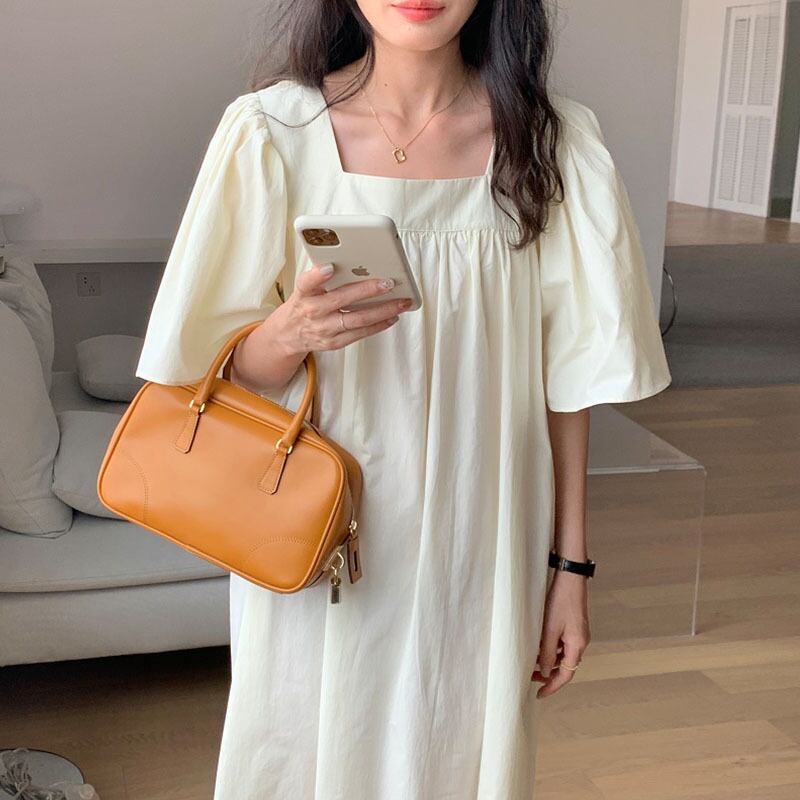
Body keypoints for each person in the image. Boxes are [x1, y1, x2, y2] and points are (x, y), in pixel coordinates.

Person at [134, 1, 672, 796]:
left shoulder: (553, 142)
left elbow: (568, 384)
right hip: (316, 535)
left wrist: (570, 568)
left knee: (454, 751)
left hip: (483, 537)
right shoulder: (274, 133)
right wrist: (287, 331)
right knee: (306, 753)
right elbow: (215, 374)